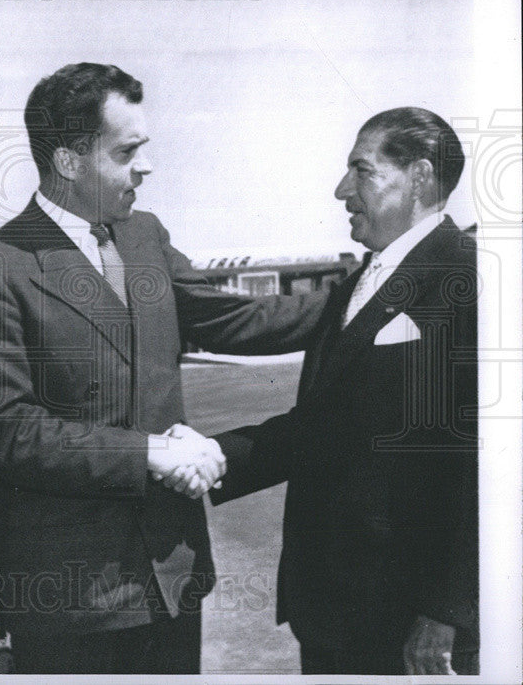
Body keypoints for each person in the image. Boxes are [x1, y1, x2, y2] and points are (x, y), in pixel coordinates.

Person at [0, 62, 327, 674]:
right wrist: (147, 452)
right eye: (127, 152)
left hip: (171, 575)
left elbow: (237, 320)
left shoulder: (143, 236)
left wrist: (373, 288)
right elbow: (2, 433)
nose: (143, 167)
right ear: (69, 160)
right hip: (72, 596)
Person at [206, 107, 479, 675]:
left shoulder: (471, 279)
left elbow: (487, 462)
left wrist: (449, 610)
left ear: (421, 178)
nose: (341, 190)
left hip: (411, 622)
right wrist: (213, 457)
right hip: (333, 610)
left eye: (362, 170)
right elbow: (324, 424)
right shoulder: (356, 285)